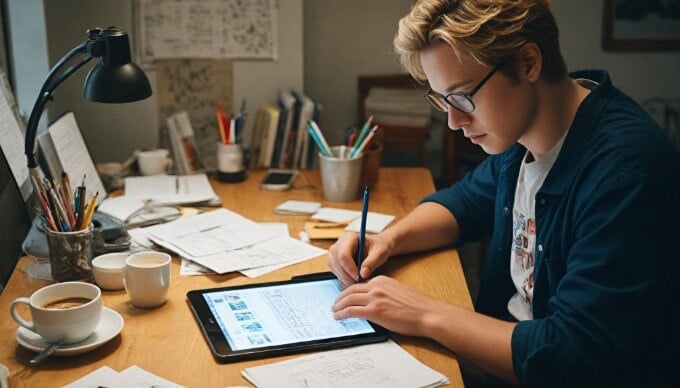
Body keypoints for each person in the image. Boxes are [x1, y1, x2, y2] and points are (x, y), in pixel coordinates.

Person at [328, 0, 680, 387]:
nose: (453, 121)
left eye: (462, 97)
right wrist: (388, 240)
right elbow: (464, 203)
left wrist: (424, 314)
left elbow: (572, 356)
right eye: (442, 100)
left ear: (528, 63)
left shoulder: (627, 174)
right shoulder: (523, 131)